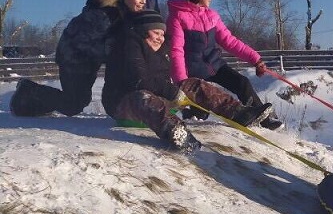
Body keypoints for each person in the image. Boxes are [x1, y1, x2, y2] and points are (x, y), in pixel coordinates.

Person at [102, 9, 272, 153]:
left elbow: (169, 77)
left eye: (162, 34)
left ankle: (239, 113)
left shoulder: (161, 50)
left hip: (156, 103)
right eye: (156, 33)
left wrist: (181, 91)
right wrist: (172, 92)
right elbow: (139, 79)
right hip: (125, 107)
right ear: (142, 31)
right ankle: (174, 132)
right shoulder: (130, 48)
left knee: (192, 84)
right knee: (142, 96)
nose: (160, 38)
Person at [10, 0, 147, 118]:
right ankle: (28, 90)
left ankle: (34, 101)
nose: (143, 1)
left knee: (78, 101)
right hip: (73, 58)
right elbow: (100, 47)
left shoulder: (121, 14)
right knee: (73, 104)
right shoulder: (104, 16)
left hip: (88, 59)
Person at [166, 0, 283, 130]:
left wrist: (255, 59)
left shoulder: (212, 16)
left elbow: (230, 41)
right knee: (200, 113)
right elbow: (176, 50)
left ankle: (265, 121)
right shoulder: (178, 17)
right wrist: (182, 80)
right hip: (193, 70)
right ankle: (192, 119)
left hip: (215, 65)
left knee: (242, 83)